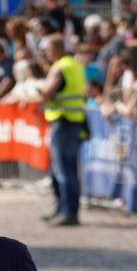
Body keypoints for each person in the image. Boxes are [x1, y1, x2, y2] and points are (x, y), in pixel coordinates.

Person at [37, 32, 87, 225]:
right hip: (74, 121)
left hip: (62, 120)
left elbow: (47, 93)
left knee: (63, 171)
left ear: (56, 49)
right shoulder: (75, 65)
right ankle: (63, 210)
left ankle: (67, 212)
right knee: (69, 169)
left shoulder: (60, 67)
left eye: (48, 50)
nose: (47, 53)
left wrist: (38, 89)